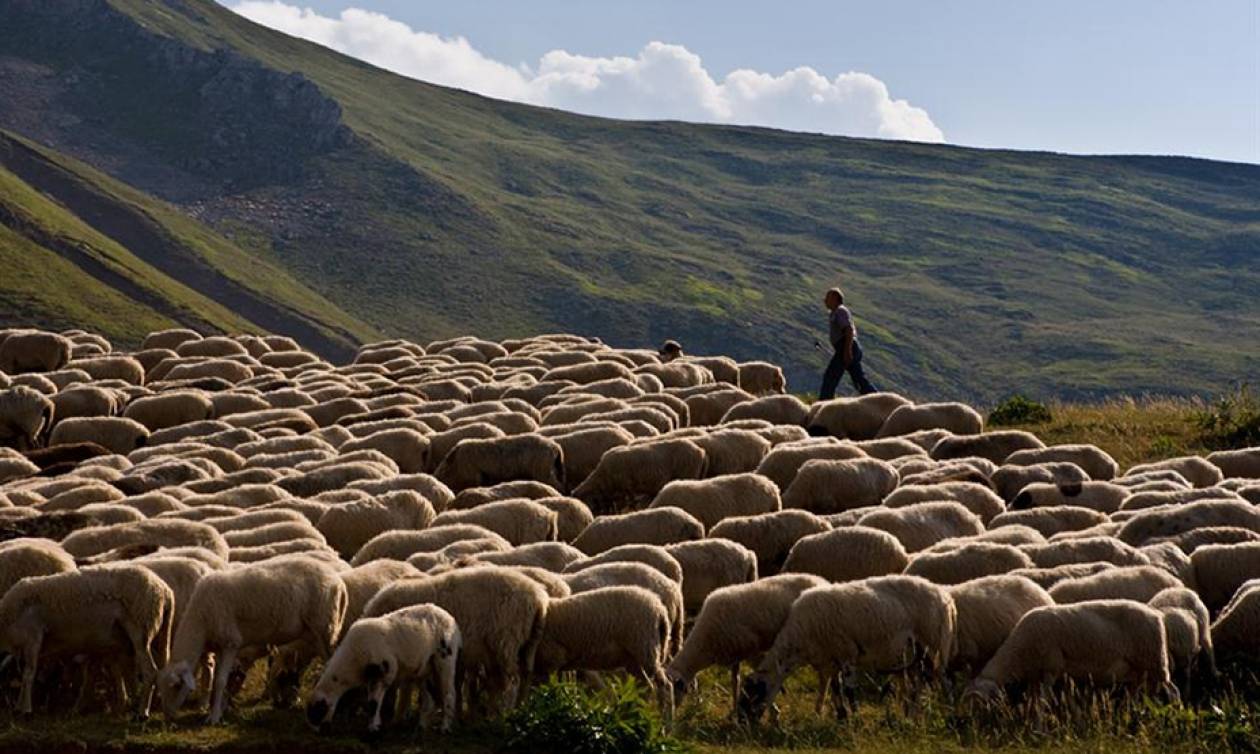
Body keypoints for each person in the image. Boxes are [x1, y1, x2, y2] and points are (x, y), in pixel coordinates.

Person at [818, 287, 878, 399]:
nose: (825, 300)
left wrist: (847, 350)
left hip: (846, 346)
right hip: (848, 347)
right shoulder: (835, 312)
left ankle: (824, 404)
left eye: (828, 298)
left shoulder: (840, 311)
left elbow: (848, 330)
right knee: (859, 379)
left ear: (835, 299)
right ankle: (877, 400)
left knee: (830, 377)